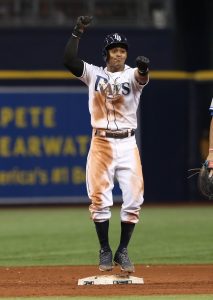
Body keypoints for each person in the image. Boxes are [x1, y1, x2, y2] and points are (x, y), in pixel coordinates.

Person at [64, 16, 150, 273]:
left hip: (127, 143)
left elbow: (142, 76)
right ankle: (105, 249)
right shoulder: (93, 74)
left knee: (134, 199)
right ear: (107, 54)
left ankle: (122, 250)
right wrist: (78, 31)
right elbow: (69, 61)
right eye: (114, 50)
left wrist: (144, 69)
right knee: (99, 200)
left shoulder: (133, 75)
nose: (119, 55)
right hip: (101, 142)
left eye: (123, 51)